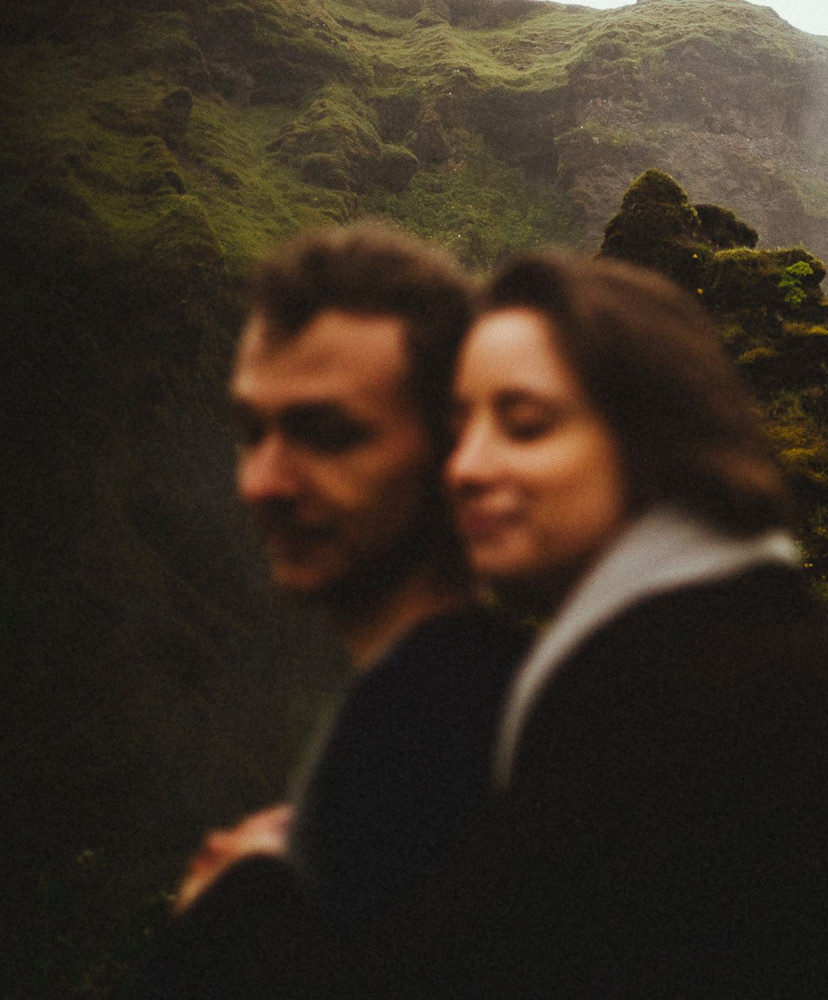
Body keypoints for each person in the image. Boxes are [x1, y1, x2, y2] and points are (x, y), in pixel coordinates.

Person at [441, 252, 828, 999]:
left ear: (649, 437)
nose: (465, 467)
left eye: (524, 425)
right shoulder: (753, 644)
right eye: (458, 429)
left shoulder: (672, 704)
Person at [120, 223, 529, 998]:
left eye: (327, 434)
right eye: (251, 432)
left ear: (457, 450)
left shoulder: (436, 736)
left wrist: (217, 917)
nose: (262, 482)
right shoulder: (428, 703)